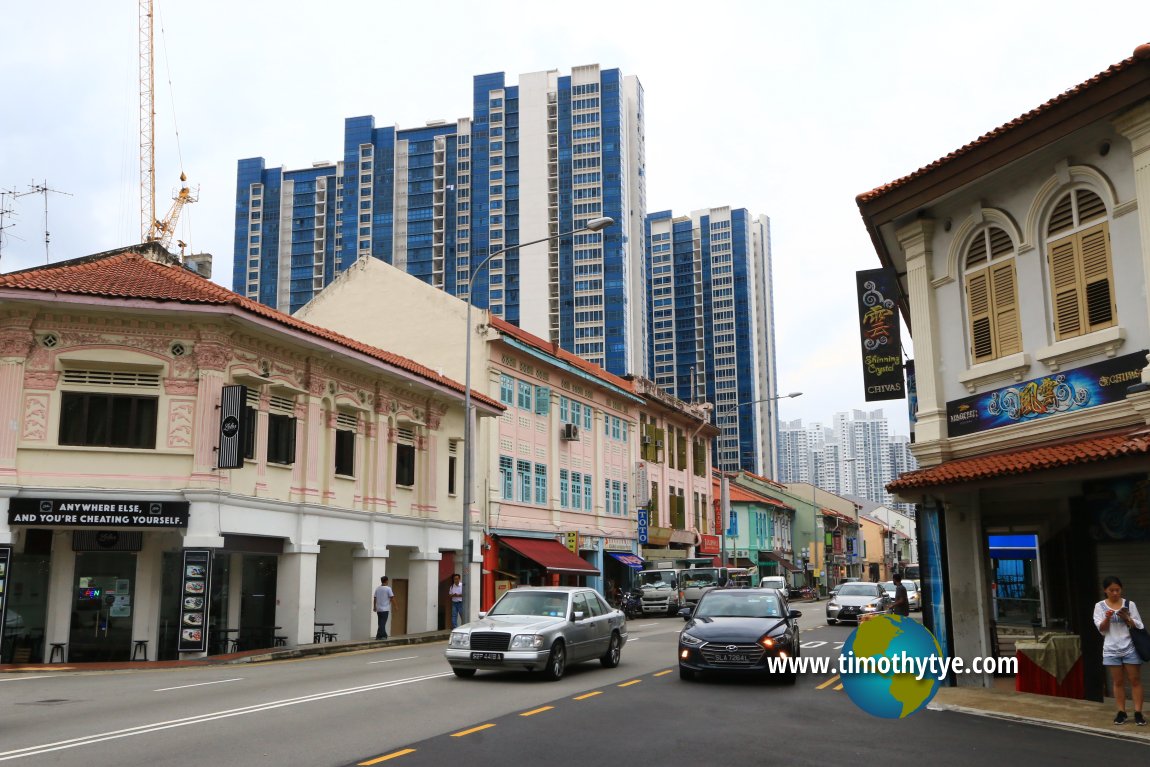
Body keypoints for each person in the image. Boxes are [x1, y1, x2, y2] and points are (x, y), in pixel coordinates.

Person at [1093, 575, 1145, 726]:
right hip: (1111, 648)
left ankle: (1138, 712)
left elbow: (1139, 625)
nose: (1115, 593)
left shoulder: (1130, 604)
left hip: (1130, 646)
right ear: (1105, 590)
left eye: (1118, 590)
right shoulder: (1099, 606)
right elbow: (1101, 629)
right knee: (1118, 681)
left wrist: (1127, 618)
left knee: (1135, 680)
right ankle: (1121, 712)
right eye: (1111, 590)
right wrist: (1107, 618)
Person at [373, 576, 395, 640]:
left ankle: (379, 636)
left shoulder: (378, 588)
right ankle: (383, 635)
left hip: (379, 609)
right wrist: (395, 605)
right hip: (385, 609)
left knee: (380, 622)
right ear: (386, 581)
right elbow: (392, 597)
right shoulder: (388, 589)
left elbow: (375, 598)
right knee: (382, 623)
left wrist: (374, 607)